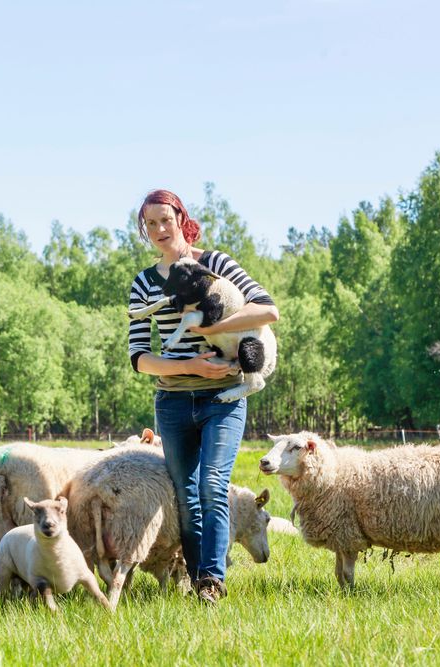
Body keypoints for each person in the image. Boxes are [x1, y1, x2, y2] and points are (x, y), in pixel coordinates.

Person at [127, 189, 278, 604]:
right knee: (185, 493)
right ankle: (197, 579)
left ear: (180, 218)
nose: (159, 229)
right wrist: (189, 366)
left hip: (222, 398)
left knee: (213, 484)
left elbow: (267, 310)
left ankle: (212, 581)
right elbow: (140, 357)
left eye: (165, 220)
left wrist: (208, 332)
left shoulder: (215, 263)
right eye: (150, 223)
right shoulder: (143, 283)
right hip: (172, 401)